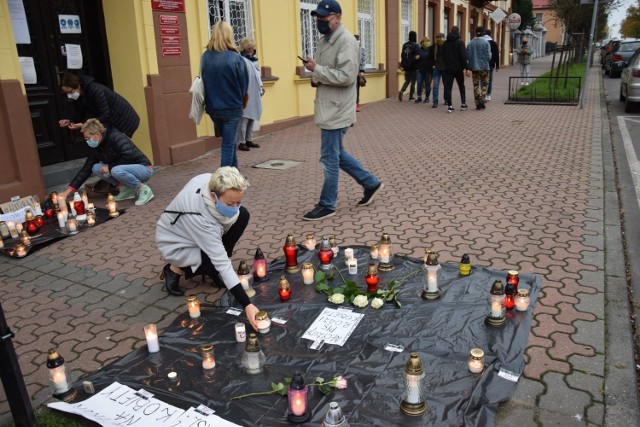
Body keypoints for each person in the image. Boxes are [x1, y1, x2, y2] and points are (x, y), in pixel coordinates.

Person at [302, 0, 383, 221]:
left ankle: (327, 204)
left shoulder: (346, 42)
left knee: (329, 158)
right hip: (329, 105)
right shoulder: (325, 40)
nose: (320, 22)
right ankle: (371, 183)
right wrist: (316, 71)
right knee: (337, 154)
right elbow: (329, 71)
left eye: (324, 19)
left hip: (337, 110)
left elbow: (347, 77)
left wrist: (317, 69)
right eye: (317, 19)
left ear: (337, 17)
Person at [156, 166, 259, 331]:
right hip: (176, 242)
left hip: (196, 232)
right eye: (230, 203)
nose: (234, 207)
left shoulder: (211, 179)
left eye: (238, 202)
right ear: (213, 196)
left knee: (242, 215)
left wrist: (235, 207)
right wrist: (247, 305)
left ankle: (210, 269)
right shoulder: (201, 220)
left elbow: (220, 244)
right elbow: (222, 262)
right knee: (215, 259)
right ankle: (174, 269)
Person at [58, 118, 154, 205]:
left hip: (143, 168)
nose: (87, 141)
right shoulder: (97, 148)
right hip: (122, 168)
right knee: (96, 168)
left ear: (98, 134)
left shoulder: (115, 137)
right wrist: (67, 192)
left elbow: (129, 155)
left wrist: (110, 167)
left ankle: (144, 189)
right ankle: (129, 188)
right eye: (85, 138)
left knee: (115, 170)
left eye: (88, 138)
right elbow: (85, 170)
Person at [202, 21, 249, 168]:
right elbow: (244, 86)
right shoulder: (236, 58)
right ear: (230, 35)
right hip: (232, 107)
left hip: (213, 108)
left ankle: (236, 175)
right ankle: (224, 182)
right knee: (228, 145)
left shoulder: (205, 57)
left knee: (230, 142)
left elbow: (203, 80)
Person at [59, 72, 140, 138]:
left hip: (122, 119)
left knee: (117, 146)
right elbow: (80, 113)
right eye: (66, 93)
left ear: (78, 86)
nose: (69, 95)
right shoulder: (79, 95)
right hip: (110, 121)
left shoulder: (95, 90)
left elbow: (105, 114)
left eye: (70, 92)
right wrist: (70, 120)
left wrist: (85, 125)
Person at [236, 37, 264, 152]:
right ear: (245, 48)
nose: (252, 49)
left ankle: (249, 139)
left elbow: (257, 74)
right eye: (250, 47)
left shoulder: (253, 59)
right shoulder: (240, 59)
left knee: (252, 116)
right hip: (246, 91)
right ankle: (241, 142)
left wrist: (261, 86)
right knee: (245, 117)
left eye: (252, 47)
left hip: (254, 90)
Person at [442, 26, 469, 113]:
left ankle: (450, 106)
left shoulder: (445, 43)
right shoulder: (460, 42)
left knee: (448, 87)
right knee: (461, 86)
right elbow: (463, 56)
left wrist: (445, 65)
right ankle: (463, 104)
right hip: (458, 69)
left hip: (448, 69)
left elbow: (443, 56)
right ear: (458, 32)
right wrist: (467, 68)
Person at [466, 26, 491, 110]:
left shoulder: (470, 43)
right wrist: (486, 60)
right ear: (483, 33)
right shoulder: (486, 42)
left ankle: (477, 103)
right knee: (485, 84)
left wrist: (471, 63)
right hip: (484, 67)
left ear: (475, 33)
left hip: (474, 67)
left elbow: (468, 56)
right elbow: (489, 56)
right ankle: (482, 98)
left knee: (476, 85)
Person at [398, 30, 420, 101]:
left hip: (406, 66)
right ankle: (411, 96)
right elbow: (417, 56)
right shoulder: (416, 45)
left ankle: (401, 91)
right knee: (413, 81)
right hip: (414, 66)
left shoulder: (404, 45)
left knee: (407, 80)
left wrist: (402, 65)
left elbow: (402, 56)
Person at [414, 37, 433, 104]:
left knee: (427, 84)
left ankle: (427, 98)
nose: (427, 42)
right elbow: (415, 58)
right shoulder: (419, 50)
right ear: (422, 43)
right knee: (419, 83)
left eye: (428, 41)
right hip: (420, 70)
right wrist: (416, 57)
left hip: (428, 70)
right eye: (425, 41)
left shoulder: (431, 50)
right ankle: (419, 97)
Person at [483, 29, 500, 101]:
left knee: (482, 80)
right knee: (489, 80)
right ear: (491, 35)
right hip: (491, 63)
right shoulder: (494, 43)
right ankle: (488, 94)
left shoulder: (482, 42)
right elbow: (496, 55)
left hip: (482, 63)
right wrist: (497, 65)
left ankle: (482, 94)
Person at [430, 32, 446, 108]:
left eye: (440, 37)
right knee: (435, 85)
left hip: (445, 68)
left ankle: (446, 99)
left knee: (446, 85)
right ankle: (435, 101)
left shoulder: (446, 45)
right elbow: (430, 57)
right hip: (436, 68)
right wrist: (432, 64)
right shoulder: (434, 46)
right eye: (437, 37)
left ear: (443, 37)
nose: (439, 39)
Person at [354, 34, 366, 112]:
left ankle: (357, 104)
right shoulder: (349, 49)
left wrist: (362, 71)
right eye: (357, 40)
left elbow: (363, 61)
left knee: (356, 89)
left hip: (358, 72)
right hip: (350, 72)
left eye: (359, 40)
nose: (358, 42)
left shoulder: (362, 50)